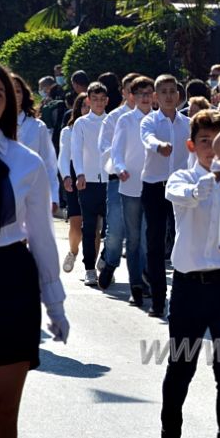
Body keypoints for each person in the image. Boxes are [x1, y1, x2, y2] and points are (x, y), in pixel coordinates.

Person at [160, 109, 220, 438]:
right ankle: (171, 431)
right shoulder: (182, 177)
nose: (212, 149)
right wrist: (200, 189)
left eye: (218, 142)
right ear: (191, 145)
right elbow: (177, 193)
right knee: (181, 366)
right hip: (188, 289)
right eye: (205, 141)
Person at [0, 63, 69, 438]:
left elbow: (41, 235)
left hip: (10, 278)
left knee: (6, 408)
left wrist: (55, 306)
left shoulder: (26, 161)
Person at [140, 74, 190, 317]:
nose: (169, 96)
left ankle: (183, 298)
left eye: (173, 91)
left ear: (178, 96)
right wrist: (159, 146)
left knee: (182, 239)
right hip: (154, 187)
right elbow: (148, 140)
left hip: (180, 188)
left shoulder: (188, 124)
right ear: (156, 98)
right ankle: (158, 301)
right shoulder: (149, 122)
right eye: (164, 92)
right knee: (155, 243)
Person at [112, 76, 154, 307]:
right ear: (131, 97)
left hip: (154, 187)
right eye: (140, 94)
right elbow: (116, 151)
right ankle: (135, 285)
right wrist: (120, 169)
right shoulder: (126, 120)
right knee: (135, 239)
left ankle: (147, 280)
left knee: (150, 239)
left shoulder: (159, 120)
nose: (145, 98)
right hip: (130, 187)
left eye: (148, 93)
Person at [97, 72, 140, 288]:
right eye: (132, 90)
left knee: (142, 234)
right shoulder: (114, 118)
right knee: (115, 230)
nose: (137, 95)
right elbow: (105, 148)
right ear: (124, 92)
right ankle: (110, 262)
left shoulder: (152, 117)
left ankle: (141, 279)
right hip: (119, 181)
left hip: (145, 184)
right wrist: (120, 166)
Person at [72, 82, 110, 286]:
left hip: (109, 181)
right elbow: (76, 151)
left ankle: (106, 258)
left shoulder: (112, 121)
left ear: (107, 100)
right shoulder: (81, 124)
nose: (98, 103)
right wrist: (79, 174)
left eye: (101, 99)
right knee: (89, 227)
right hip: (88, 182)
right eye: (94, 99)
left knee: (112, 228)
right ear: (88, 100)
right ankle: (89, 269)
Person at [58, 93, 97, 273]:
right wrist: (66, 176)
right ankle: (73, 252)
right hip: (75, 175)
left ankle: (93, 266)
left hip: (95, 177)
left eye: (90, 106)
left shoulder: (104, 126)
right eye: (84, 106)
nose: (87, 110)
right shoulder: (69, 130)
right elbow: (64, 157)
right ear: (78, 108)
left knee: (94, 224)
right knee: (76, 222)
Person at [12, 73, 60, 213]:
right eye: (10, 90)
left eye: (18, 91)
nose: (14, 95)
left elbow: (49, 164)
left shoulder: (37, 127)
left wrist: (54, 197)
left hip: (30, 194)